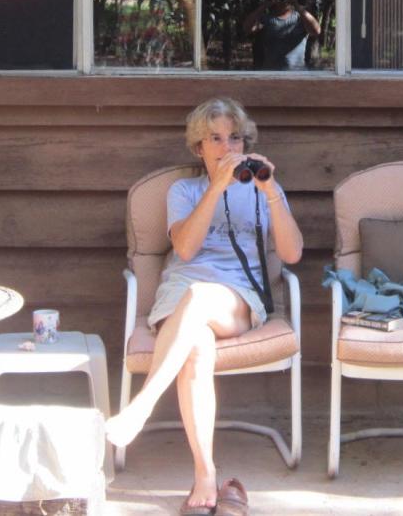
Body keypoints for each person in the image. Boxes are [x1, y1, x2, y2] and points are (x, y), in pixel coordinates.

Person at [105, 97, 303, 514]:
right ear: (199, 147)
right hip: (178, 299)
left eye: (235, 138)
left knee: (199, 297)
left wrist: (268, 191)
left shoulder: (262, 190)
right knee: (195, 345)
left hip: (237, 299)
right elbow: (186, 247)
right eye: (215, 139)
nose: (227, 146)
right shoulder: (184, 190)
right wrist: (217, 186)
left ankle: (141, 406)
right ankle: (205, 474)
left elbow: (291, 254)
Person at [242, 0, 321, 70]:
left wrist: (296, 5)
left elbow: (316, 31)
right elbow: (246, 28)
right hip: (272, 75)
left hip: (297, 75)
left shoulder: (300, 18)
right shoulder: (266, 19)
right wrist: (264, 5)